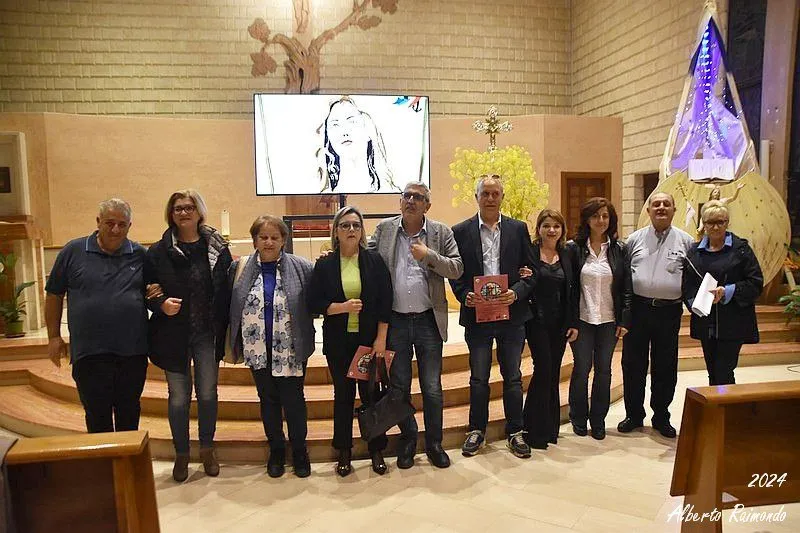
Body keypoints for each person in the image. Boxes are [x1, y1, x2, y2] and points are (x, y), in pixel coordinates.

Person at [368, 181, 463, 469]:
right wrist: (333, 255)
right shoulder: (384, 229)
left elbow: (457, 268)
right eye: (407, 195)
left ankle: (434, 443)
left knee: (432, 387)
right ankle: (408, 439)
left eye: (418, 197)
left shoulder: (441, 232)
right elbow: (364, 259)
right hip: (395, 321)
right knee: (399, 387)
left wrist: (429, 256)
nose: (411, 200)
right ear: (400, 202)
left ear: (427, 206)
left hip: (428, 320)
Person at [145, 190, 232, 482]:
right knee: (179, 397)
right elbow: (147, 285)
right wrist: (160, 304)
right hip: (173, 334)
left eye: (189, 207)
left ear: (199, 212)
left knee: (207, 394)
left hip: (207, 333)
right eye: (178, 208)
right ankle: (181, 453)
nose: (183, 213)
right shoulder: (159, 251)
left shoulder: (217, 247)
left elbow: (227, 286)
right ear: (171, 214)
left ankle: (207, 448)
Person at [45, 198, 149, 435]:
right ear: (98, 221)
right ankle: (102, 460)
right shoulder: (73, 251)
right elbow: (54, 294)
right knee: (96, 416)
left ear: (130, 226)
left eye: (122, 224)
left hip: (132, 352)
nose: (116, 230)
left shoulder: (140, 255)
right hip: (89, 352)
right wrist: (53, 337)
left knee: (129, 414)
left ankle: (128, 459)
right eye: (109, 223)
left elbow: (155, 289)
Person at [449, 174, 535, 459]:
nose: (490, 198)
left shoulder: (518, 229)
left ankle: (515, 432)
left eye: (495, 193)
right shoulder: (460, 231)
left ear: (502, 197)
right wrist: (464, 295)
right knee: (478, 378)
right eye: (485, 193)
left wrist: (517, 292)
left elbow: (530, 271)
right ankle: (476, 430)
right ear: (476, 197)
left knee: (513, 377)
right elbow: (456, 273)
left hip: (511, 317)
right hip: (478, 317)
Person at [308, 206, 393, 476]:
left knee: (371, 395)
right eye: (345, 225)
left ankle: (376, 450)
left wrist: (381, 339)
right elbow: (314, 302)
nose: (351, 230)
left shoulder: (374, 261)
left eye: (356, 225)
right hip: (338, 343)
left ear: (362, 231)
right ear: (336, 231)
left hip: (368, 341)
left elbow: (385, 302)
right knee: (343, 396)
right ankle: (343, 451)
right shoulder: (325, 264)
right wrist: (341, 308)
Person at [228, 215, 315, 478]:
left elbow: (316, 300)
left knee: (294, 401)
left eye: (274, 237)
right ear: (255, 239)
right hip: (257, 346)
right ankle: (276, 450)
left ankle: (299, 451)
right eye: (263, 237)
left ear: (284, 240)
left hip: (291, 347)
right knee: (267, 400)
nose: (268, 242)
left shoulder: (301, 267)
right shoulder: (240, 269)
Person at [618, 193, 694, 439]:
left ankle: (661, 416)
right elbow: (623, 278)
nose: (661, 208)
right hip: (638, 311)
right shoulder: (634, 240)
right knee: (633, 364)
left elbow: (693, 278)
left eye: (666, 204)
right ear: (648, 210)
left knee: (665, 365)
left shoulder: (686, 242)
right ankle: (633, 414)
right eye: (656, 204)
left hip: (669, 312)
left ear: (674, 210)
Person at [566, 197, 632, 441]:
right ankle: (578, 417)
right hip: (583, 320)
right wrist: (570, 321)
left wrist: (624, 320)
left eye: (605, 216)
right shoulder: (574, 248)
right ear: (587, 219)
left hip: (608, 320)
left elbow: (626, 287)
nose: (600, 220)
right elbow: (569, 288)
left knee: (604, 371)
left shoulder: (618, 249)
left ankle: (598, 420)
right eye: (595, 216)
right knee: (581, 370)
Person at [682, 200, 763, 385]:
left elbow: (755, 283)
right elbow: (687, 286)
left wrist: (727, 291)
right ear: (704, 224)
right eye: (711, 222)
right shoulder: (694, 252)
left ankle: (725, 402)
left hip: (733, 321)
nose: (716, 227)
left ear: (727, 222)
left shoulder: (741, 249)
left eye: (721, 221)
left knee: (723, 371)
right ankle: (717, 402)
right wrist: (695, 303)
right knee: (712, 371)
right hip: (705, 321)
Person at [519, 209, 579, 450]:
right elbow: (521, 281)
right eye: (546, 226)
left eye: (556, 226)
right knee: (543, 369)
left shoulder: (567, 254)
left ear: (562, 230)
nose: (551, 230)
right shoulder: (530, 252)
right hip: (536, 321)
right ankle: (532, 429)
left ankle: (549, 428)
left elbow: (574, 290)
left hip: (560, 323)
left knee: (553, 372)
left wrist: (573, 322)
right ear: (539, 229)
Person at [317, 96, 398, 193]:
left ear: (368, 130)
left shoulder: (391, 192)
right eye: (335, 124)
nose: (344, 132)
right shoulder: (325, 197)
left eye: (352, 121)